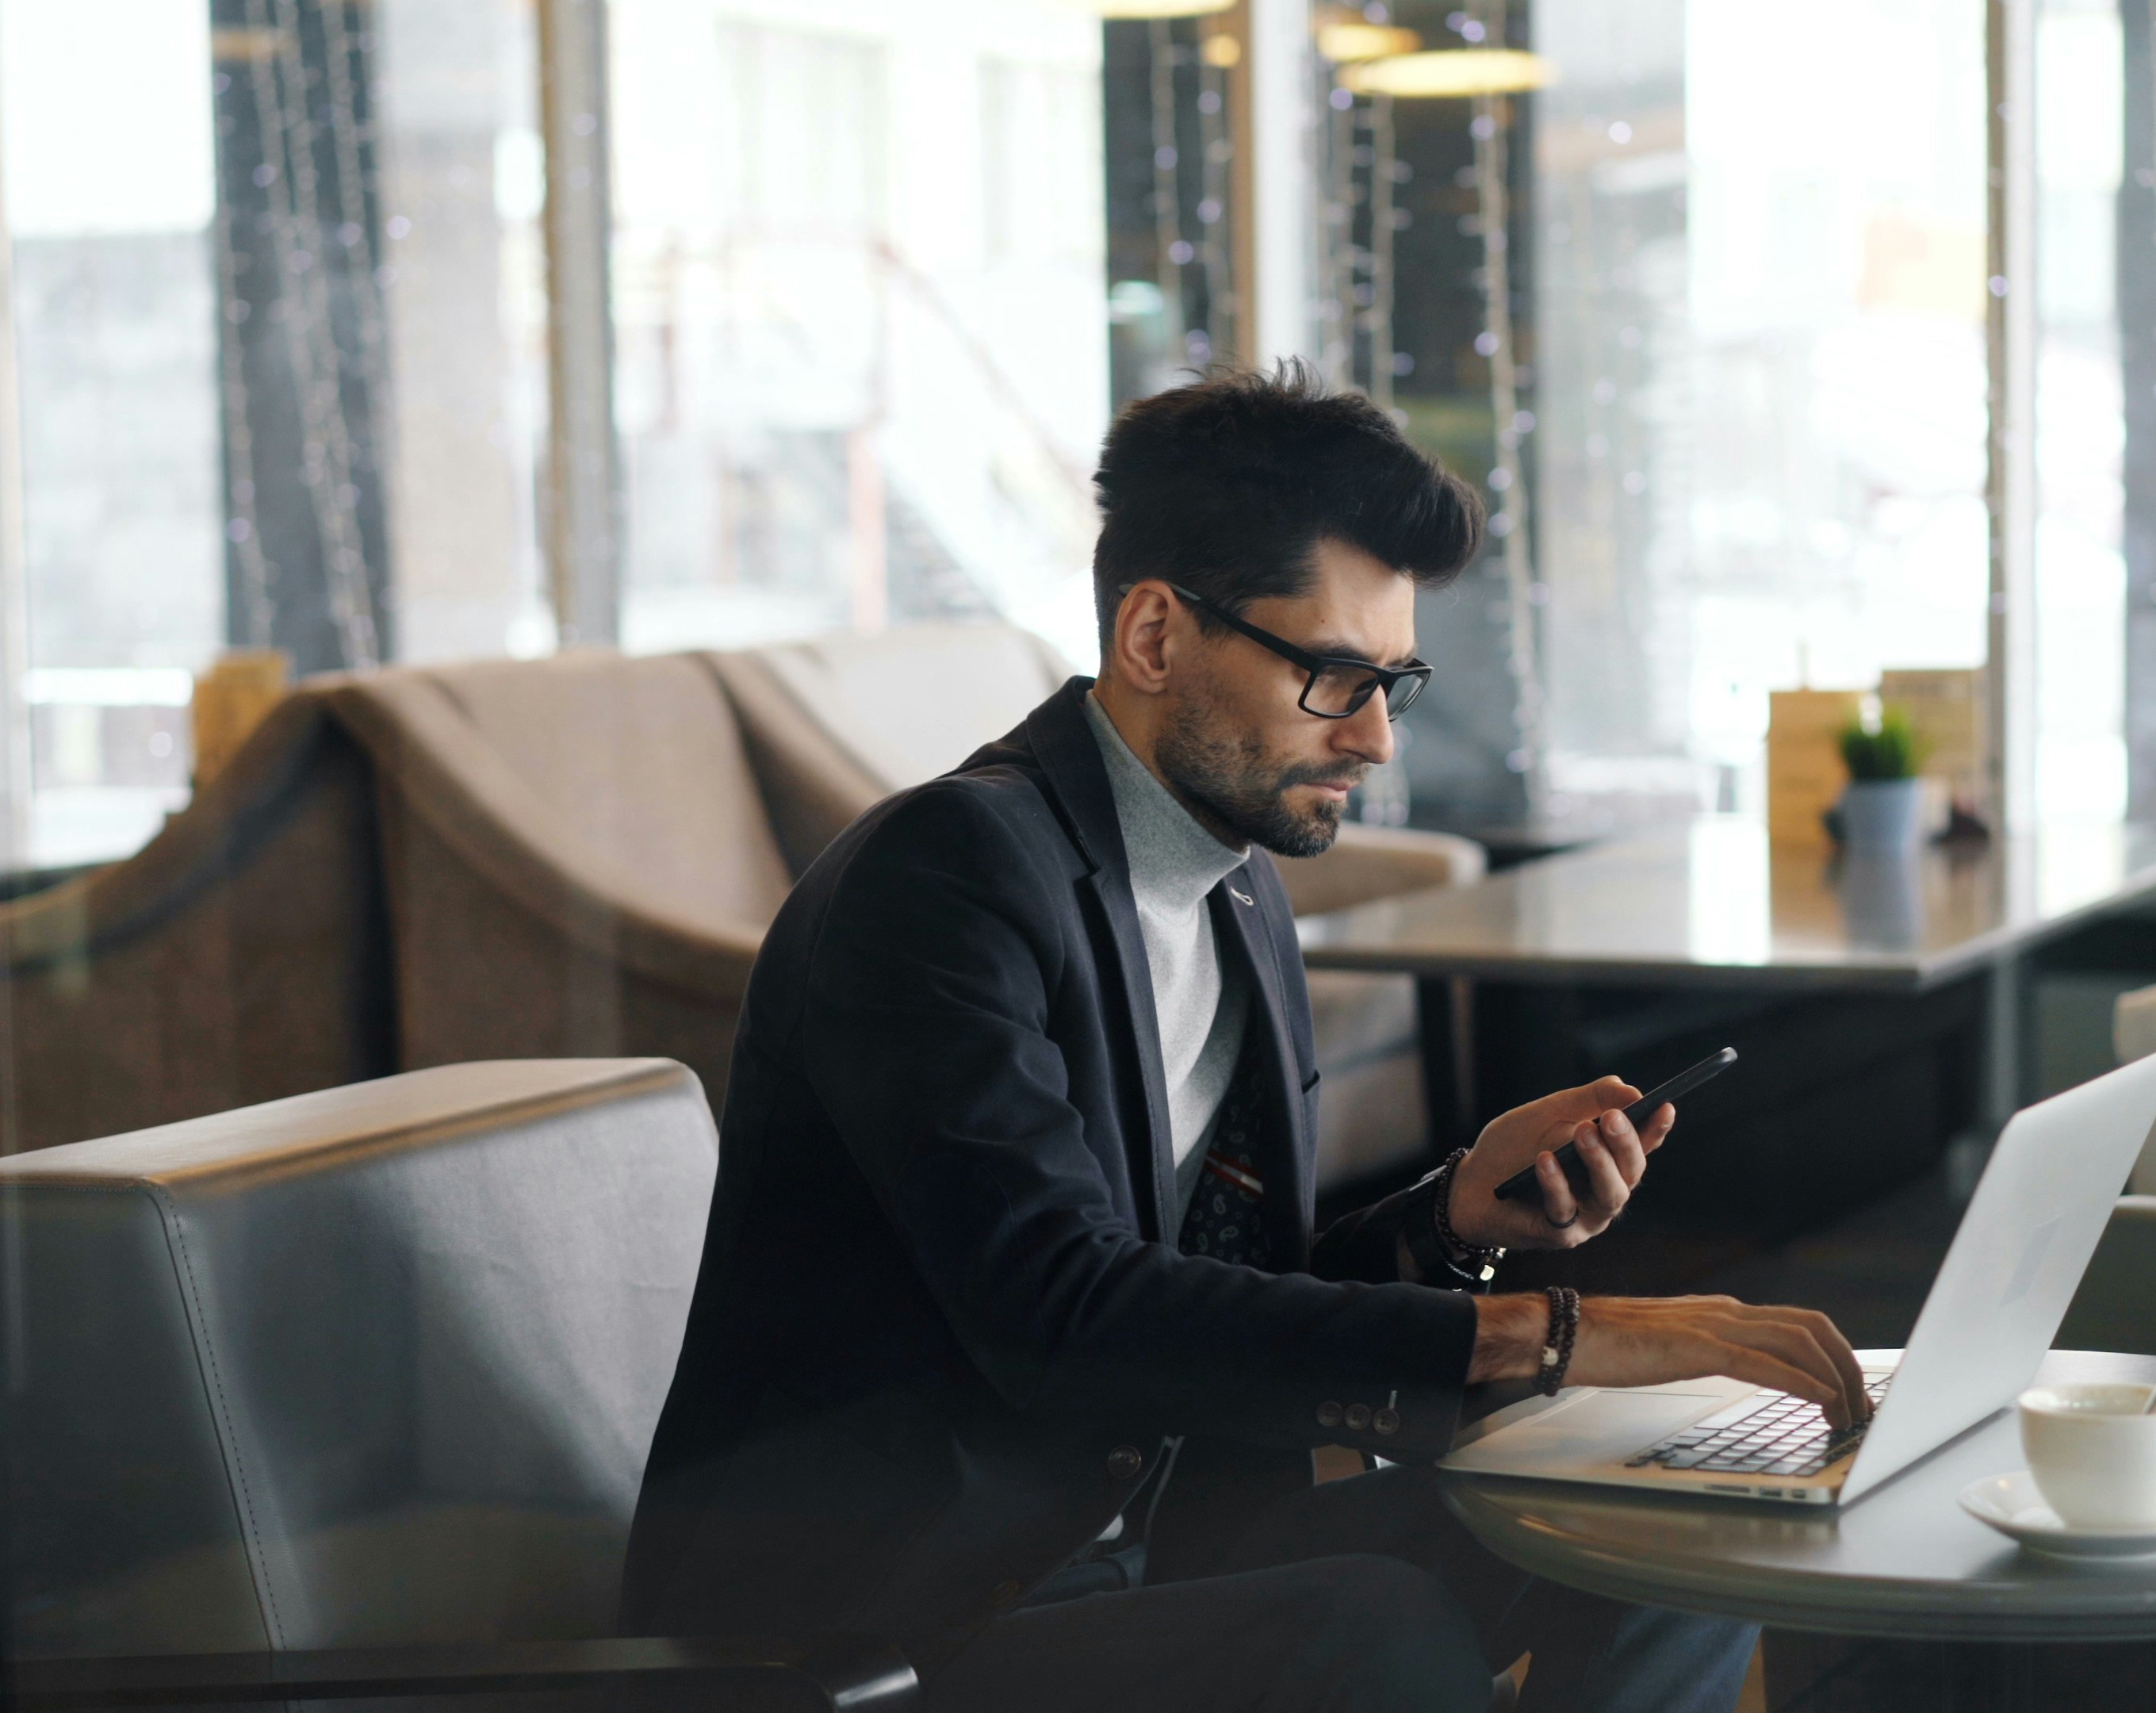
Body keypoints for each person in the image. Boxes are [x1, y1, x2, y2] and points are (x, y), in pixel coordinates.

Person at [623, 364, 1871, 1712]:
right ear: (1156, 635)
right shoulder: (945, 876)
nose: (1379, 738)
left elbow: (1212, 1291)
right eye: (1336, 677)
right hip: (880, 1627)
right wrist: (1551, 1336)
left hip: (1130, 1556)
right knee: (1375, 1631)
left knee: (1670, 1535)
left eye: (1395, 680)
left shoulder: (1236, 885)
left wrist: (1447, 1224)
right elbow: (1063, 1316)